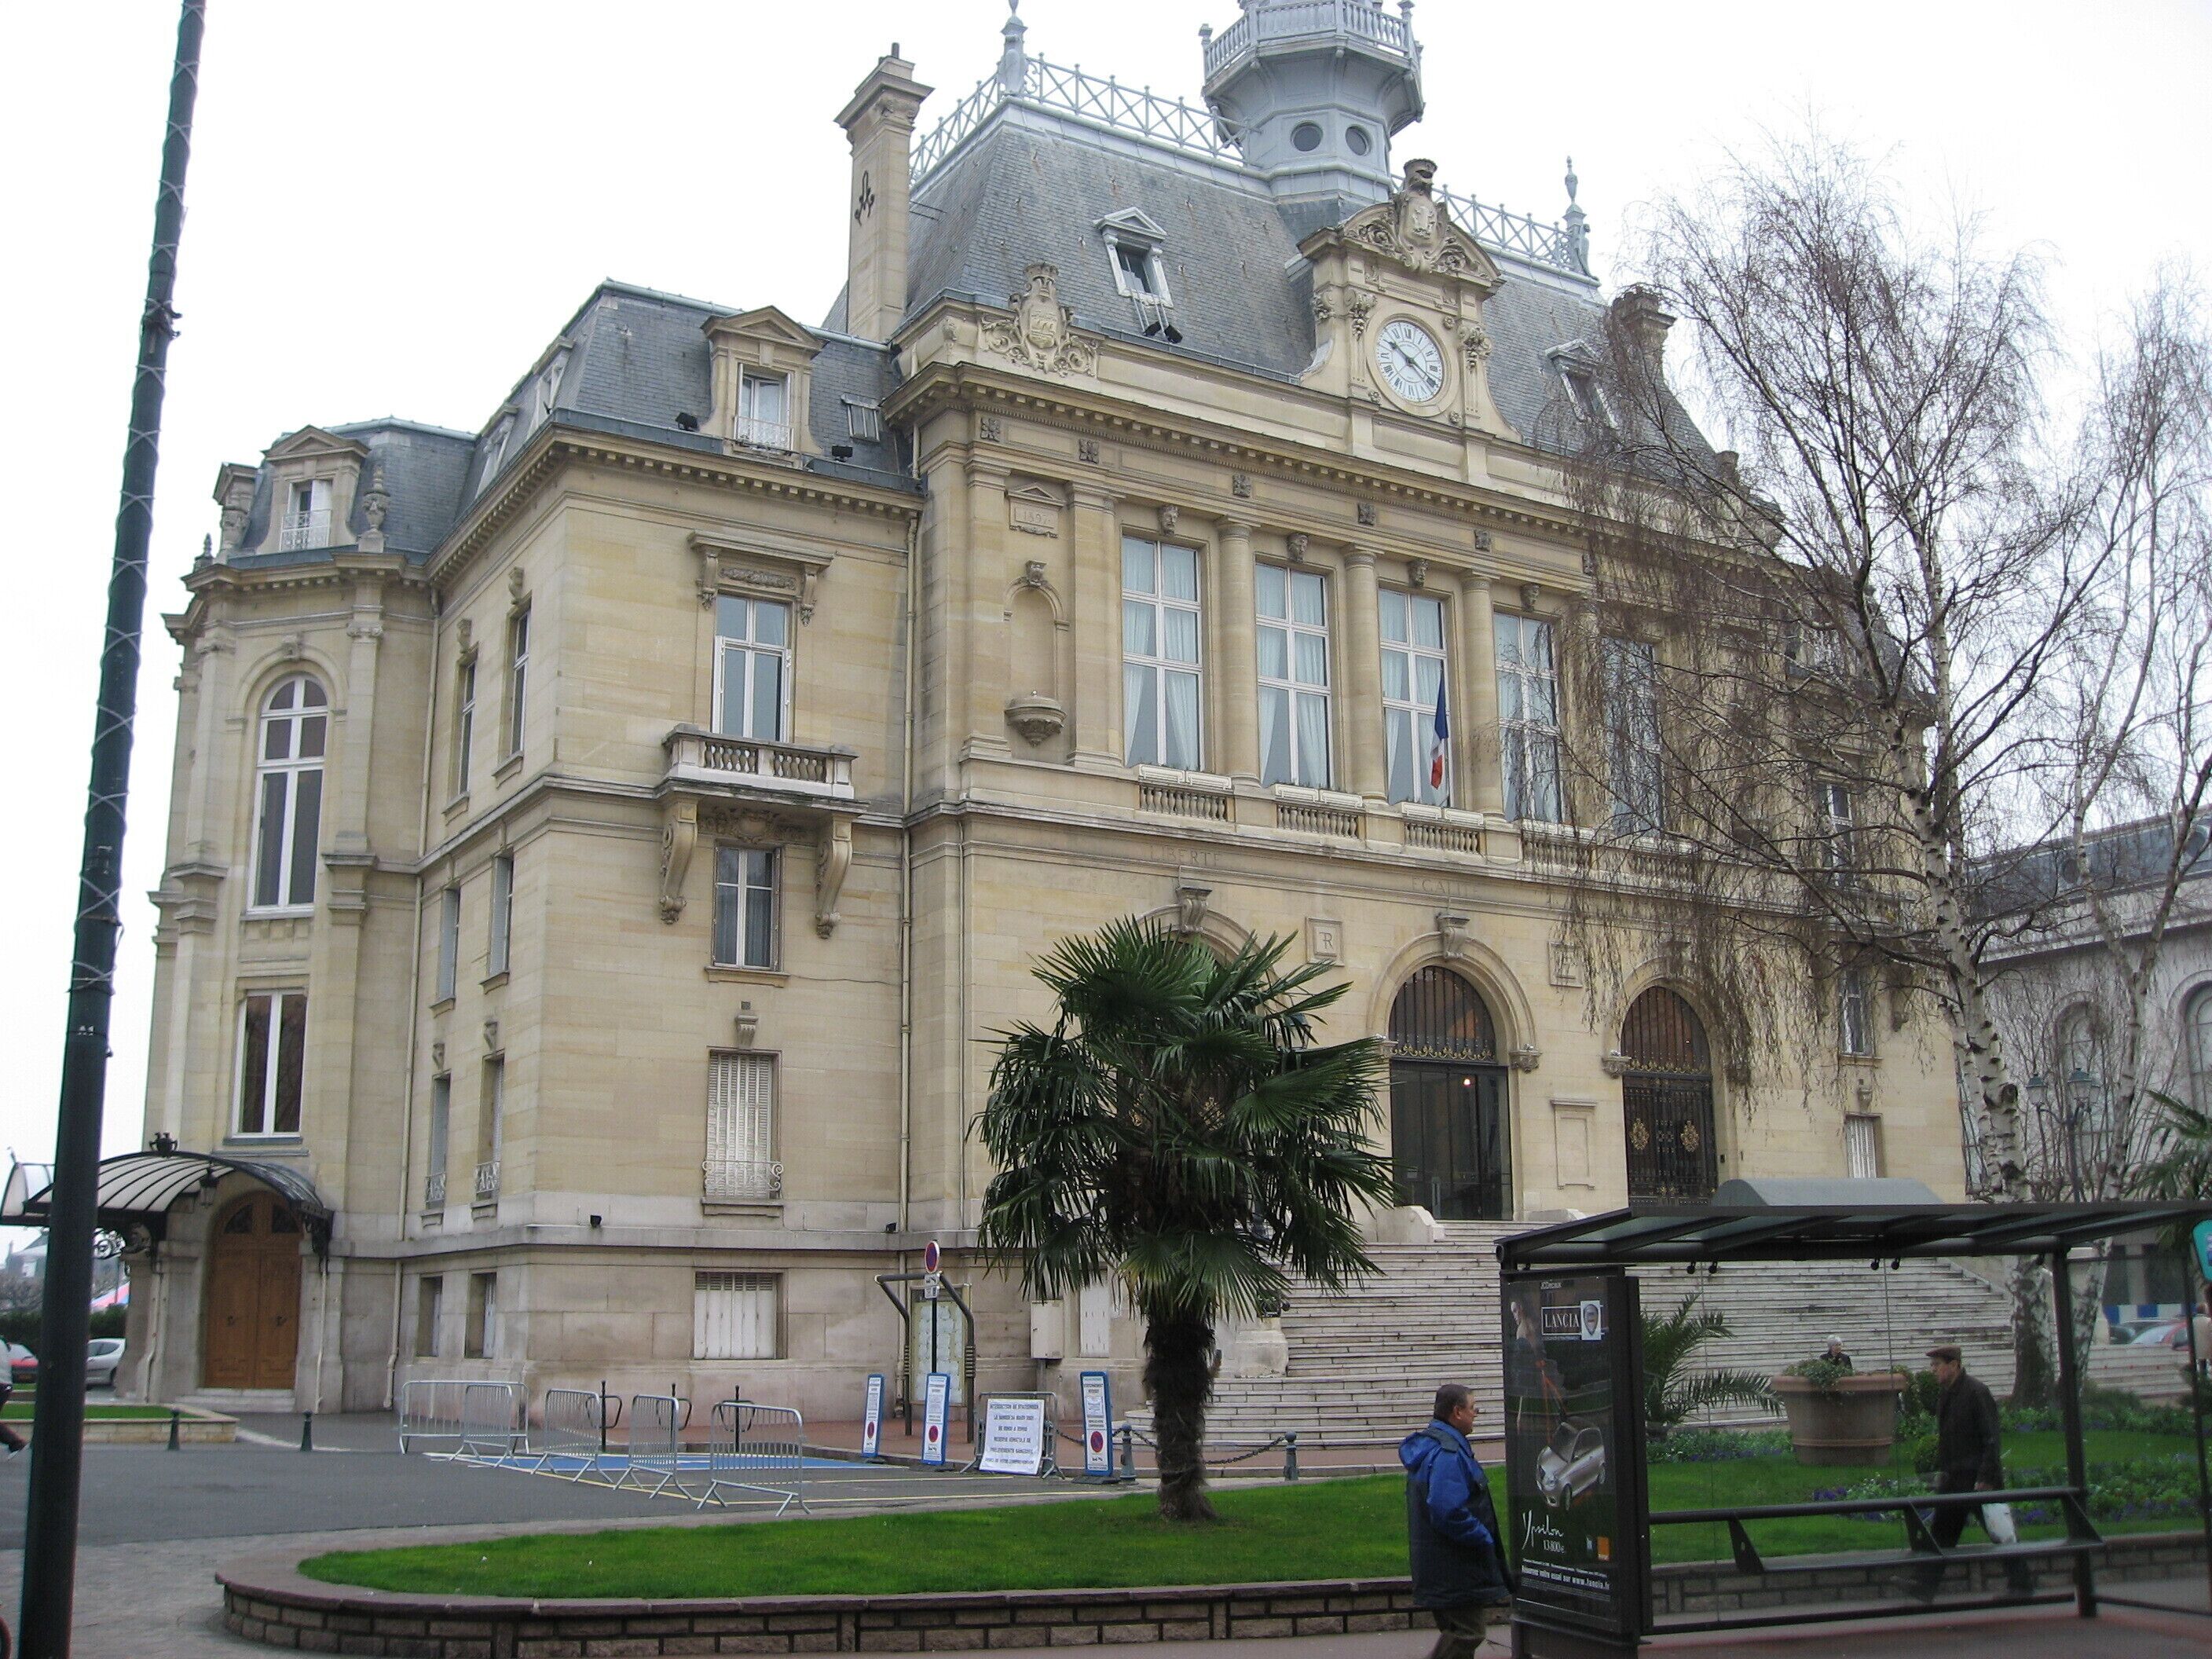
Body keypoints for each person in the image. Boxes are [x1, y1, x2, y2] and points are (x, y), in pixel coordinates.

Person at [1906, 1345, 2031, 1602]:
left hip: (1977, 1479)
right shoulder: (1946, 1395)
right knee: (1942, 1533)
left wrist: (1985, 1477)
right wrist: (1943, 1471)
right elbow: (1947, 1439)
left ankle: (2022, 1585)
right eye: (1932, 1366)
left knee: (1999, 1531)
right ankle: (1924, 1586)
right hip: (1954, 1478)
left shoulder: (1976, 1392)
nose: (1933, 1370)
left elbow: (1991, 1438)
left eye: (1937, 1365)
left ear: (1954, 1365)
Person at [1401, 1382, 1514, 1658]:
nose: (1476, 1414)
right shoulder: (1448, 1454)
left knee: (1458, 1631)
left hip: (1441, 1566)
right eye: (1473, 1408)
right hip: (1454, 1567)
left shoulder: (1434, 1445)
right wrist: (1481, 1536)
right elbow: (1445, 1509)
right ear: (1457, 1412)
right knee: (1468, 1632)